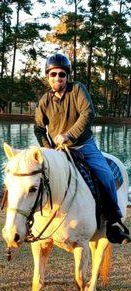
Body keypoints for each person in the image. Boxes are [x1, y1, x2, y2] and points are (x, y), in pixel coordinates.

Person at [34, 53, 130, 244]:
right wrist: (49, 150)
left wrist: (68, 135)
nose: (57, 78)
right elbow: (38, 129)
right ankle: (36, 220)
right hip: (57, 151)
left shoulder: (78, 90)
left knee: (106, 175)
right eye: (53, 74)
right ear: (48, 76)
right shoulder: (44, 100)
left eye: (61, 74)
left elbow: (88, 113)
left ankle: (113, 221)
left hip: (84, 145)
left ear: (67, 76)